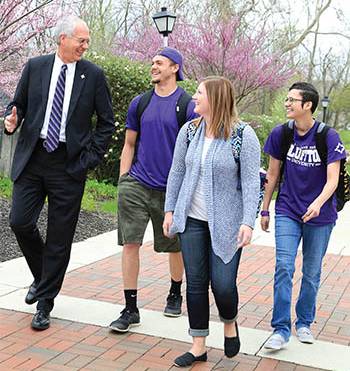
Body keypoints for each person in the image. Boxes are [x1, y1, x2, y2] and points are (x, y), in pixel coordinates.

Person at [3, 15, 115, 330]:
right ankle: (43, 278)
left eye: (87, 41)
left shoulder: (93, 75)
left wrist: (87, 160)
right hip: (33, 157)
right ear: (62, 39)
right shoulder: (35, 66)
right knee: (20, 221)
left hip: (69, 164)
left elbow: (106, 123)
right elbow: (19, 105)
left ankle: (44, 304)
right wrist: (12, 120)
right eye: (81, 40)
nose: (85, 46)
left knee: (60, 237)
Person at [163, 76, 261, 367]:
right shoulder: (189, 132)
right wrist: (170, 210)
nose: (193, 97)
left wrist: (248, 221)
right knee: (195, 283)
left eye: (199, 93)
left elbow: (251, 182)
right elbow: (176, 172)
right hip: (191, 219)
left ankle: (229, 322)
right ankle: (198, 345)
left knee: (223, 285)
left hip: (228, 224)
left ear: (216, 99)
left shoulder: (243, 135)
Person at [108, 47, 197, 333]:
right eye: (152, 62)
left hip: (171, 190)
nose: (153, 66)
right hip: (136, 184)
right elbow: (129, 144)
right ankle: (130, 307)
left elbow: (194, 150)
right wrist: (124, 180)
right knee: (130, 243)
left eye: (158, 62)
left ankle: (174, 291)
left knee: (174, 245)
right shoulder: (140, 102)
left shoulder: (188, 105)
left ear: (175, 67)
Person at [261, 82, 346, 350]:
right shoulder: (281, 134)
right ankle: (281, 329)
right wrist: (265, 209)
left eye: (292, 100)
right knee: (284, 267)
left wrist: (319, 203)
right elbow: (272, 175)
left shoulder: (328, 136)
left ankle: (304, 323)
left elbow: (333, 179)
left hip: (320, 216)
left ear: (307, 105)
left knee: (311, 272)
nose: (287, 104)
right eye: (286, 99)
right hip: (287, 209)